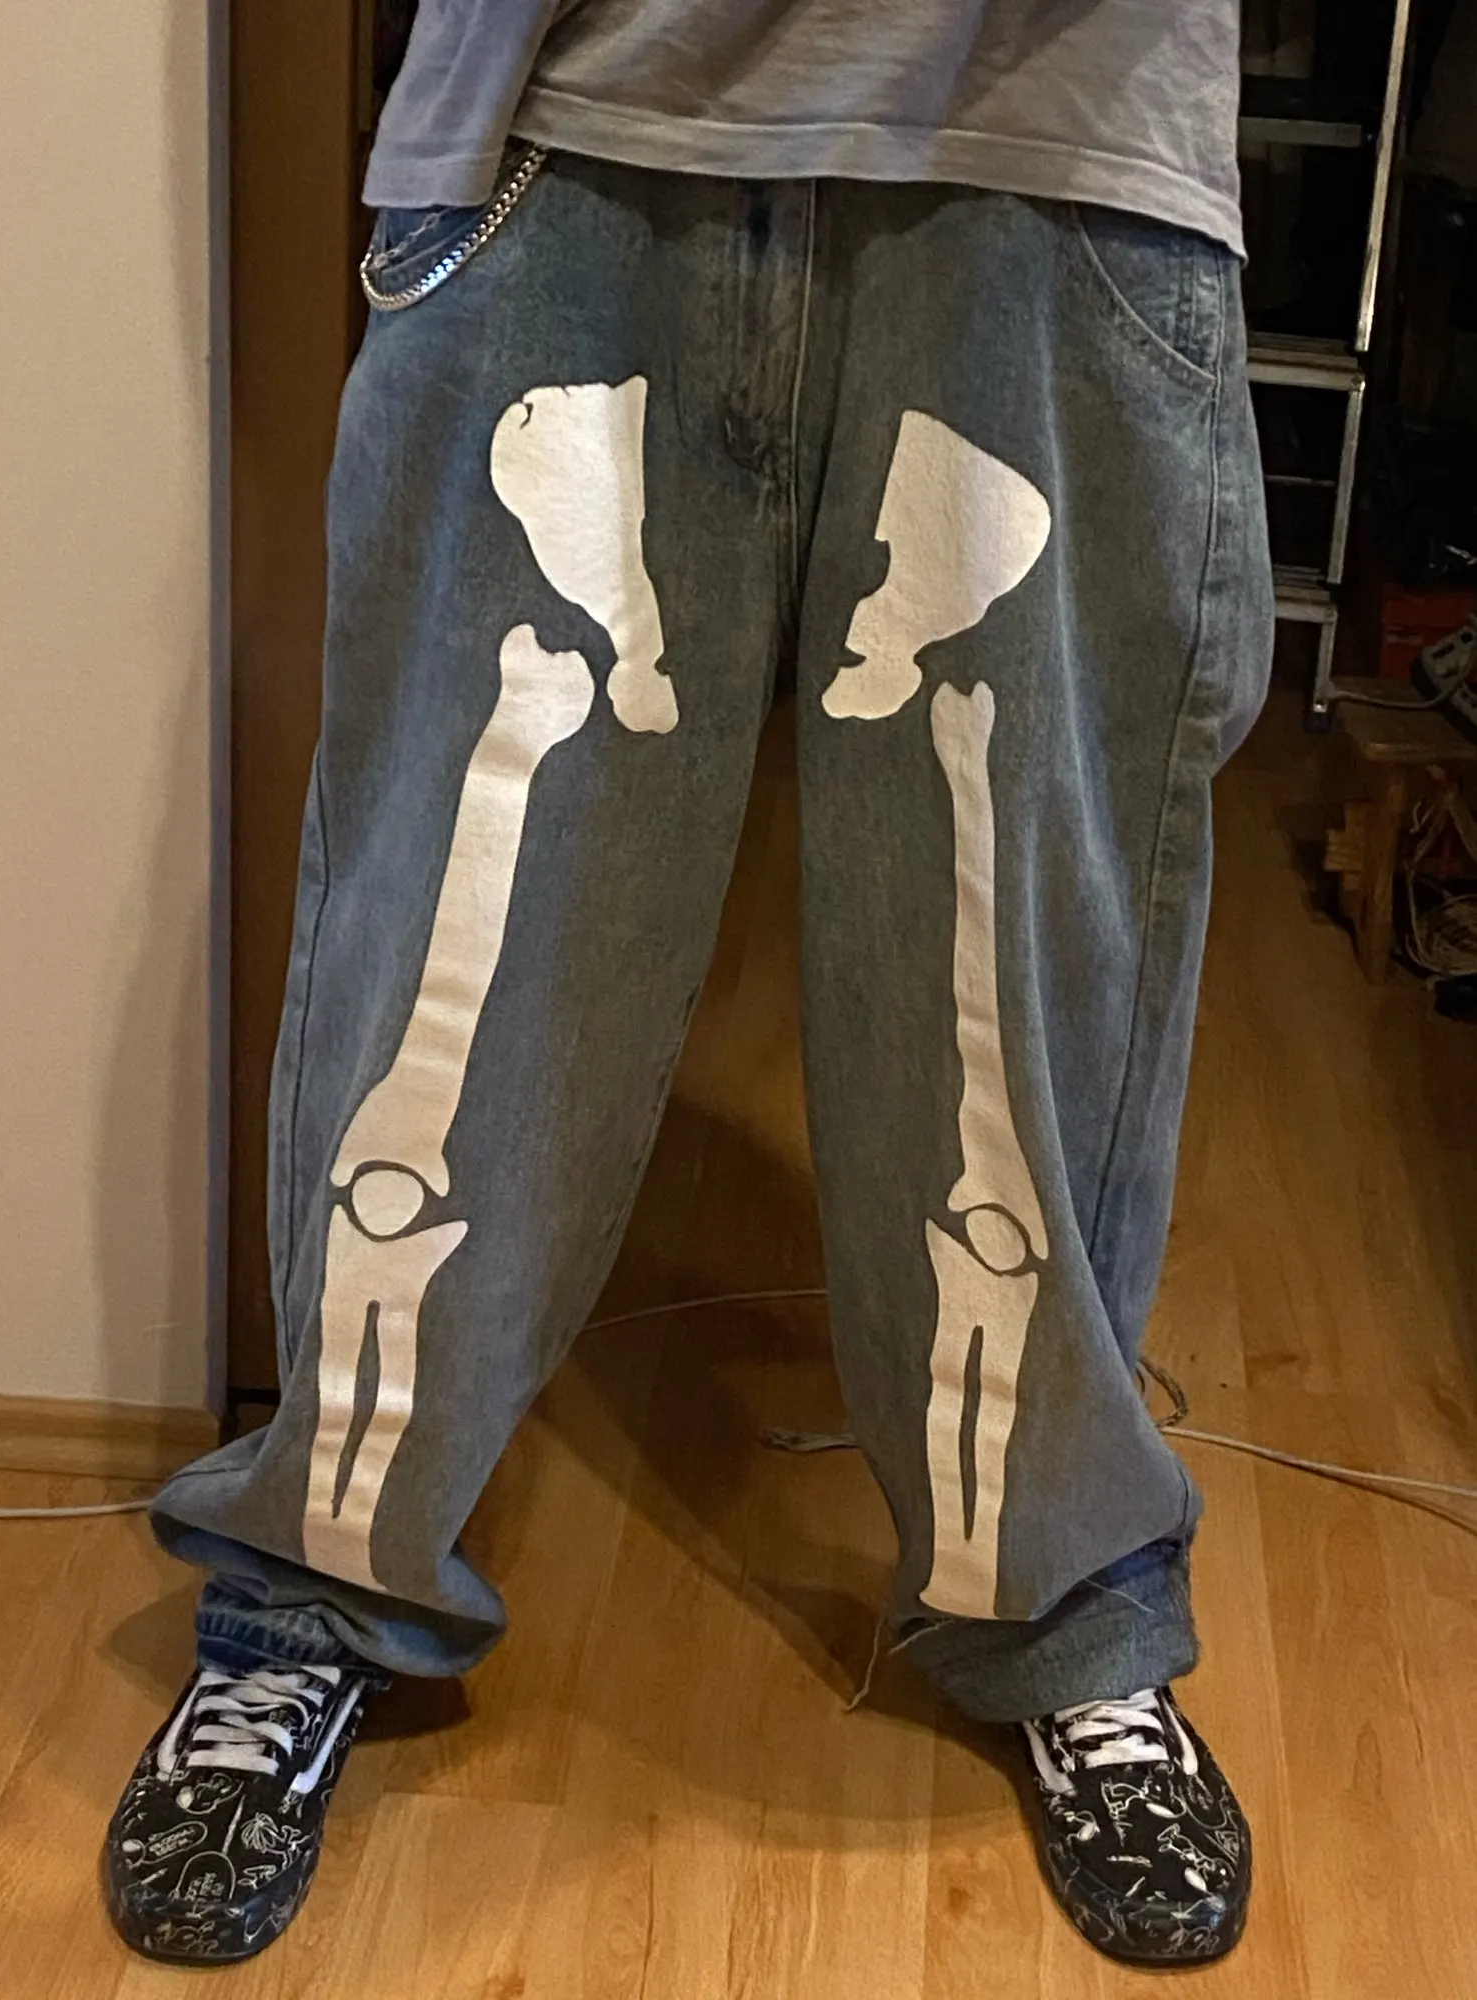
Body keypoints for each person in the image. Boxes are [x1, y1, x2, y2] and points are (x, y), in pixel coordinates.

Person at [105, 0, 1271, 1971]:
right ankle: (320, 1567)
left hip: (1063, 145)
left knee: (1022, 965)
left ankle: (1062, 1592)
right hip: (569, 115)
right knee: (448, 941)